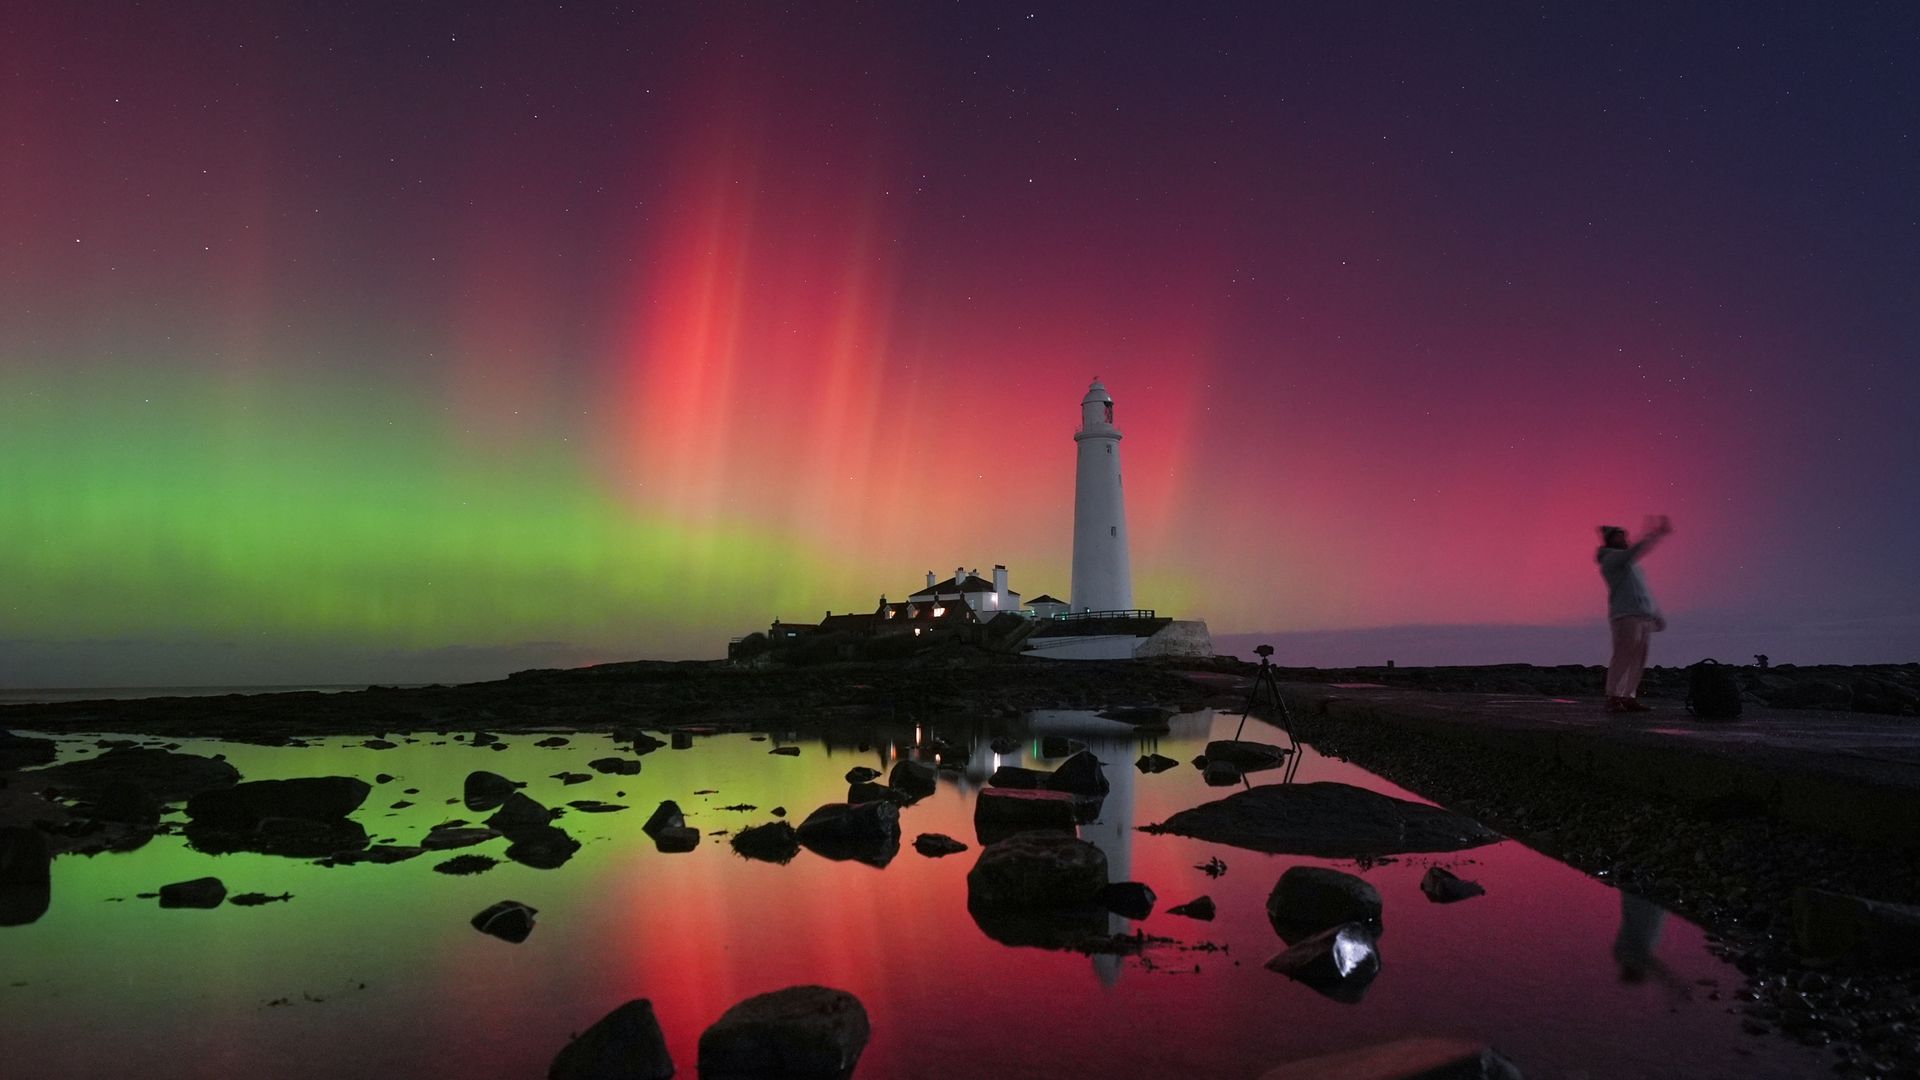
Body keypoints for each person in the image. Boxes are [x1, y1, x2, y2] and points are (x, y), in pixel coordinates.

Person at [1597, 515, 1672, 713]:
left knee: (1638, 658)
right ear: (1609, 540)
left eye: (1623, 535)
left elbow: (1643, 590)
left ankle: (1628, 696)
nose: (1622, 539)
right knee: (1623, 655)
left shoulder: (1632, 565)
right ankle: (1613, 696)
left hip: (1642, 616)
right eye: (1617, 536)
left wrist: (1655, 613)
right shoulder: (1611, 559)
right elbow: (1633, 553)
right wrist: (1653, 535)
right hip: (1625, 614)